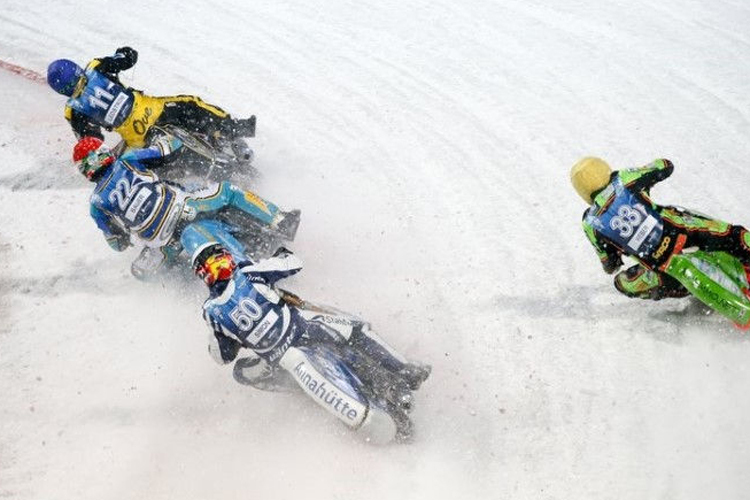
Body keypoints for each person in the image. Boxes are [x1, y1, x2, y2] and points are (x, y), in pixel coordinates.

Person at [184, 237, 431, 441]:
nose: (221, 267)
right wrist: (280, 254)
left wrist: (232, 336)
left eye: (220, 262)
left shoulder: (211, 311)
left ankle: (313, 396)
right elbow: (292, 262)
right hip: (305, 331)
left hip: (277, 361)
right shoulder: (248, 272)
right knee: (356, 329)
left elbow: (222, 356)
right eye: (216, 265)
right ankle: (405, 370)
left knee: (241, 373)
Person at [72, 135, 299, 277]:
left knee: (140, 273)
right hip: (182, 209)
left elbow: (117, 245)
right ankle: (280, 220)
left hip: (159, 239)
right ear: (102, 154)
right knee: (227, 191)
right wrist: (161, 138)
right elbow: (168, 147)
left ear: (85, 169)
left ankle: (191, 275)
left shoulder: (96, 205)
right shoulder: (127, 161)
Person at [571, 157, 750, 300]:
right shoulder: (624, 179)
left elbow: (610, 265)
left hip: (661, 267)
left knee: (621, 283)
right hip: (685, 234)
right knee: (735, 235)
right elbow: (665, 165)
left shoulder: (590, 223)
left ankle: (688, 290)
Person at [47, 47, 255, 153]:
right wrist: (123, 53)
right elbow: (129, 57)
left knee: (149, 170)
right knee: (190, 104)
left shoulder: (73, 111)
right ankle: (235, 127)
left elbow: (93, 142)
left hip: (137, 140)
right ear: (75, 68)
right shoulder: (96, 67)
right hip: (153, 110)